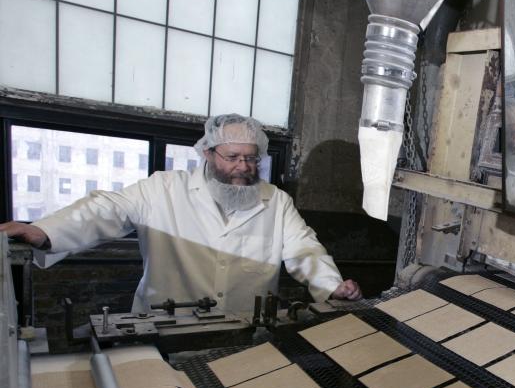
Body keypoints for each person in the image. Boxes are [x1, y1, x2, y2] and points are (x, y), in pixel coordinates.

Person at [0, 114, 361, 317]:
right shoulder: (164, 190)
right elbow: (106, 208)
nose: (243, 168)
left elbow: (304, 251)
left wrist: (332, 286)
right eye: (232, 157)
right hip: (162, 328)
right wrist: (44, 231)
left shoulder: (276, 201)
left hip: (244, 333)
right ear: (207, 153)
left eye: (251, 158)